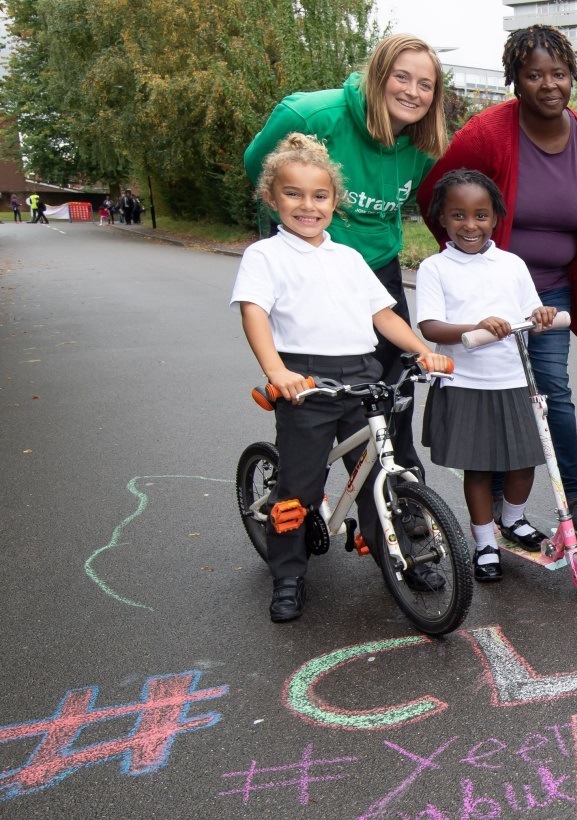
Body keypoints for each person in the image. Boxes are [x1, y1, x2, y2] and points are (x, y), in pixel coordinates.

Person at [229, 133, 452, 623]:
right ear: (272, 197)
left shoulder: (348, 258)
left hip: (362, 375)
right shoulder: (266, 256)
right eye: (294, 194)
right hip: (303, 383)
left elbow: (385, 316)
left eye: (320, 196)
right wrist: (276, 372)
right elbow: (254, 314)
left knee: (377, 478)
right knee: (299, 491)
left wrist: (422, 351)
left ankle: (401, 561)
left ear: (335, 201)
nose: (308, 206)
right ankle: (288, 574)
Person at [416, 25, 577, 539]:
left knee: (552, 393)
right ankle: (499, 506)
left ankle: (573, 496)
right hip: (489, 295)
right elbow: (437, 194)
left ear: (572, 77)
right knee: (497, 392)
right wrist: (466, 256)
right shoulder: (485, 134)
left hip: (549, 294)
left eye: (560, 74)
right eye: (534, 75)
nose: (549, 84)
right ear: (515, 82)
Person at [245, 33, 447, 493]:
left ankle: (395, 491)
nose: (413, 92)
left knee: (394, 386)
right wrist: (295, 235)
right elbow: (259, 166)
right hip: (314, 256)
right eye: (402, 77)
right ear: (378, 75)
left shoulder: (419, 143)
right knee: (319, 381)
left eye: (425, 84)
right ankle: (301, 486)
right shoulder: (313, 114)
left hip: (374, 264)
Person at [415, 169, 557, 583]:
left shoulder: (511, 264)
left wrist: (543, 314)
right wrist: (472, 327)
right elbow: (429, 327)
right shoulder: (434, 268)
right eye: (458, 215)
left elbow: (533, 312)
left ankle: (512, 520)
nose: (469, 225)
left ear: (496, 217)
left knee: (524, 459)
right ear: (442, 218)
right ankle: (485, 542)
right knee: (478, 468)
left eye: (480, 215)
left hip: (515, 379)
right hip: (465, 383)